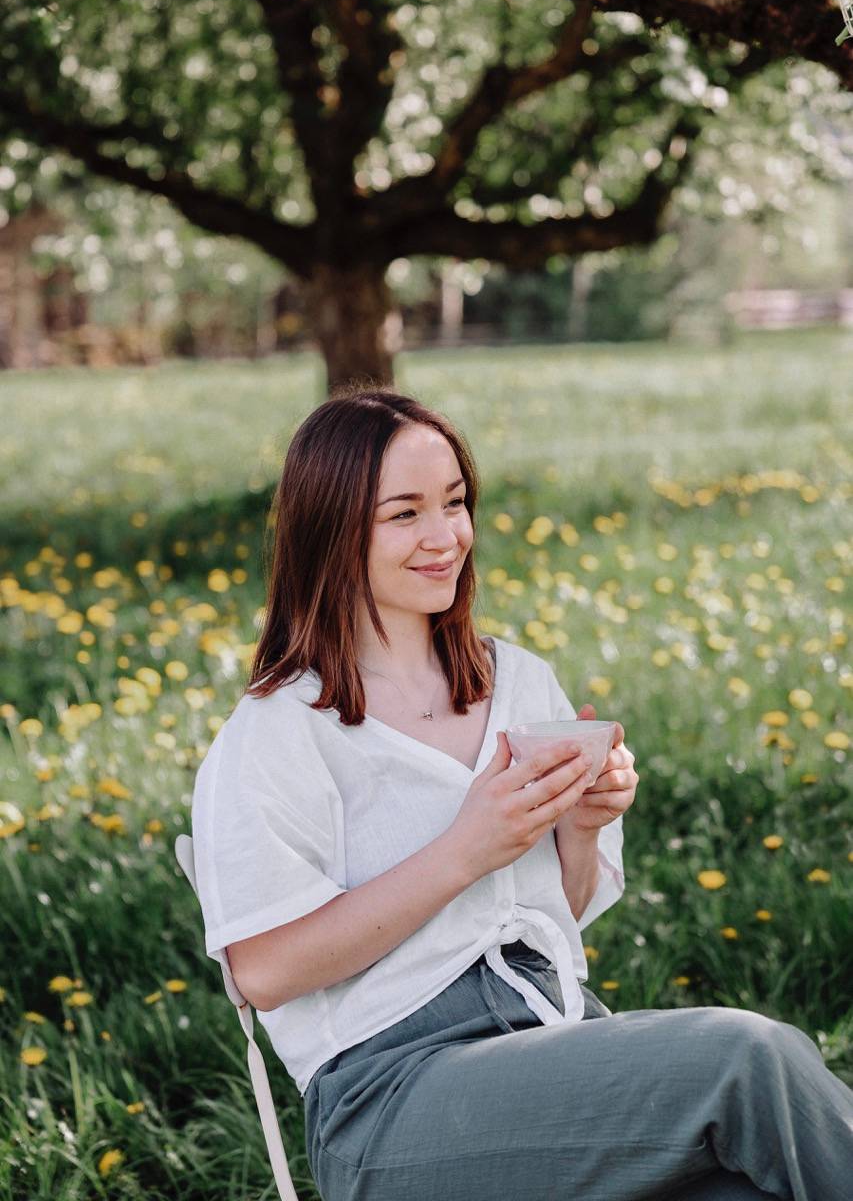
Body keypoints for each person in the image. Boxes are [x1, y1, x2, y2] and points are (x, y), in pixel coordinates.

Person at [190, 386, 853, 1201]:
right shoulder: (278, 730)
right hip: (391, 1099)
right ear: (331, 530)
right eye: (404, 515)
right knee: (749, 1060)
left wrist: (578, 826)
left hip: (548, 1036)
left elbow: (558, 913)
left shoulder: (517, 681)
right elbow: (262, 970)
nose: (445, 537)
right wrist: (463, 852)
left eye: (456, 503)